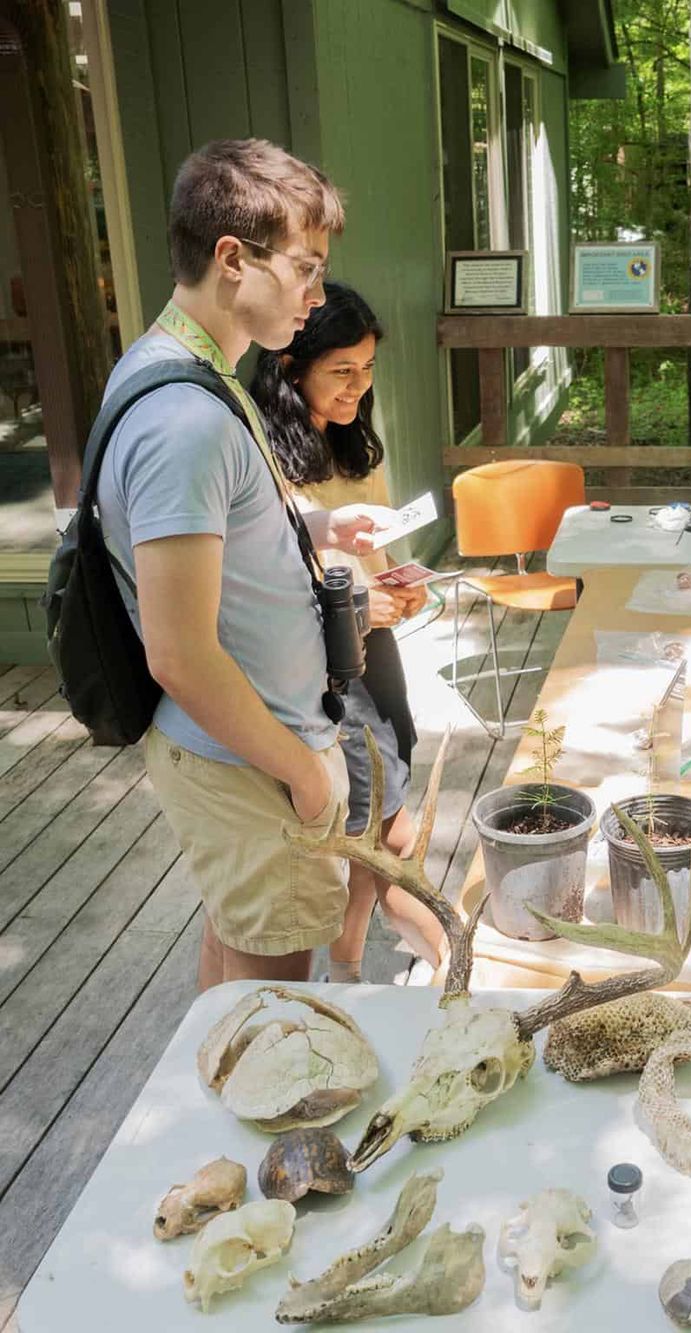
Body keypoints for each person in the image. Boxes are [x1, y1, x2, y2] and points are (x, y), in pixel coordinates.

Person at [95, 139, 387, 989]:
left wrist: (322, 527)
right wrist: (302, 772)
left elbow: (224, 528)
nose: (318, 294)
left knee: (236, 960)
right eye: (306, 268)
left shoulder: (191, 373)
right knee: (274, 1008)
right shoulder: (184, 419)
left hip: (245, 750)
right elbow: (179, 653)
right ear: (232, 259)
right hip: (249, 760)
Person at [252, 283, 445, 979]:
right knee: (385, 819)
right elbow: (271, 578)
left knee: (376, 810)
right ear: (290, 367)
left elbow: (373, 554)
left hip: (376, 652)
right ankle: (449, 954)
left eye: (366, 370)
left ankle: (349, 959)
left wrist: (401, 584)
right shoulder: (257, 455)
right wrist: (364, 602)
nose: (358, 388)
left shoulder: (357, 444)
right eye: (341, 370)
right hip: (320, 665)